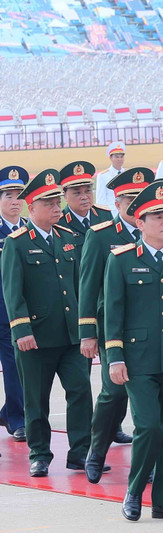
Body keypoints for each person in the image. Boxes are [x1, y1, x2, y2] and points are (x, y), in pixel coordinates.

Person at [103, 179, 163, 522]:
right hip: (138, 360)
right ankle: (134, 491)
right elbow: (112, 313)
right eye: (157, 215)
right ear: (140, 221)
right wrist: (114, 357)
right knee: (149, 427)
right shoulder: (121, 260)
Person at [1, 169, 92, 477]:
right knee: (36, 401)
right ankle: (39, 453)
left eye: (57, 203)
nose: (57, 209)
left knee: (80, 393)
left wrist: (87, 329)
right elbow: (13, 292)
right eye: (49, 204)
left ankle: (80, 453)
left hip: (70, 336)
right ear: (32, 207)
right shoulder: (17, 243)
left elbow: (80, 287)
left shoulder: (69, 239)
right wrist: (22, 330)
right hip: (36, 339)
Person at [80, 168, 155, 483]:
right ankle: (97, 451)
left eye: (141, 199)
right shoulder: (101, 236)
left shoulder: (155, 232)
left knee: (149, 395)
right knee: (113, 393)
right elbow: (87, 285)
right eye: (129, 199)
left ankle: (148, 460)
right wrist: (87, 333)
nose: (135, 204)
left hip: (150, 328)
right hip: (114, 329)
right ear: (117, 200)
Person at [0, 166, 28, 443]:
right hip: (0, 309)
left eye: (19, 195)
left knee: (19, 366)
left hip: (19, 311)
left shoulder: (29, 230)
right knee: (13, 365)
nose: (14, 201)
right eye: (8, 195)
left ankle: (12, 414)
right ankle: (16, 417)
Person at [60, 161, 113, 254]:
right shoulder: (59, 223)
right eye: (77, 193)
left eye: (88, 191)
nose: (84, 197)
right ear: (65, 196)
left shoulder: (104, 216)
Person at [96, 141, 126, 209]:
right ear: (110, 158)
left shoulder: (127, 173)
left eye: (121, 157)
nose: (119, 159)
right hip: (112, 212)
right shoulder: (103, 176)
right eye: (116, 157)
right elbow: (100, 199)